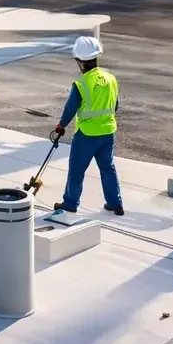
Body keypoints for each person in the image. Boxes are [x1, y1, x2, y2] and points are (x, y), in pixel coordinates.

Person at [52, 36, 124, 216]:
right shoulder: (111, 78)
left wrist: (60, 126)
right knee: (108, 167)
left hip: (86, 135)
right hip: (108, 132)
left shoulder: (81, 84)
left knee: (77, 169)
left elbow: (70, 109)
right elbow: (115, 106)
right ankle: (115, 203)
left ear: (79, 61)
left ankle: (70, 203)